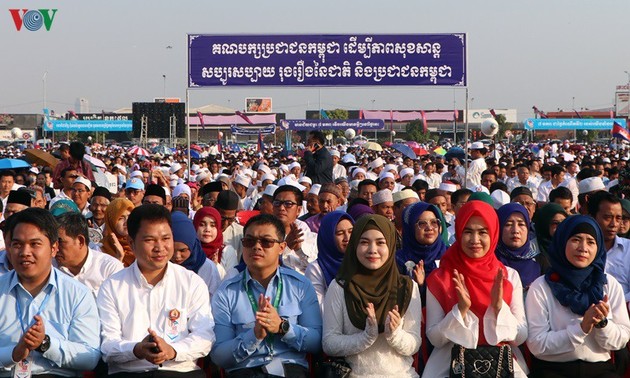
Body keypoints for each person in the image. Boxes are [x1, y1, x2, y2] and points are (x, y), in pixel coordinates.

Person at [98, 204, 215, 377]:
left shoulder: (191, 283)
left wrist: (173, 350)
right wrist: (136, 349)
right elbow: (107, 345)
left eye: (166, 238)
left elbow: (204, 336)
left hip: (178, 371)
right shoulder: (112, 286)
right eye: (149, 240)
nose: (160, 247)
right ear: (132, 242)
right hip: (130, 373)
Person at [423, 201, 528, 377]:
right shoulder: (440, 277)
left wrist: (499, 307)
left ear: (493, 234)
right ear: (458, 232)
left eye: (483, 232)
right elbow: (434, 338)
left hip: (500, 364)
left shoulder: (508, 276)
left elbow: (521, 336)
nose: (475, 240)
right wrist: (460, 311)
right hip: (450, 366)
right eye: (468, 231)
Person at [211, 214, 322, 377]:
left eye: (266, 242)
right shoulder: (226, 292)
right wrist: (253, 336)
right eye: (249, 241)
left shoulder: (300, 285)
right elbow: (219, 354)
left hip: (289, 369)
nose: (256, 247)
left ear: (282, 247)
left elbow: (316, 341)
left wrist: (283, 327)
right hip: (245, 370)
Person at [525, 215, 630, 377]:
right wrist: (580, 329)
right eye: (576, 239)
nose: (583, 248)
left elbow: (622, 339)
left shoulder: (608, 284)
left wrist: (602, 324)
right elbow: (537, 344)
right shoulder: (542, 286)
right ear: (562, 241)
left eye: (591, 242)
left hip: (600, 371)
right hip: (551, 371)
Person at [0, 208, 101, 375]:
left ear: (54, 248)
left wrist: (45, 344)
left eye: (35, 244)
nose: (25, 252)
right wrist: (13, 353)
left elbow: (89, 356)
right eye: (17, 244)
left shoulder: (77, 293)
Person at [322, 214, 422, 377]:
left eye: (380, 242)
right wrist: (365, 337)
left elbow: (414, 343)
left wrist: (394, 334)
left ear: (390, 244)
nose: (372, 250)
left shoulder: (407, 287)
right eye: (364, 242)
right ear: (354, 245)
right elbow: (329, 342)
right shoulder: (340, 286)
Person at [54, 212, 123, 297]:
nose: (54, 248)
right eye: (52, 242)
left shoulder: (110, 269)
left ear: (80, 241)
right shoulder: (49, 267)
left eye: (60, 242)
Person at [305, 211, 354, 314]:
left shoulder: (361, 261)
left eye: (351, 232)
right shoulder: (316, 268)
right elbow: (318, 308)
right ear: (328, 237)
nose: (347, 238)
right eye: (339, 233)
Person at [396, 202, 447, 291]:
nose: (429, 228)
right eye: (422, 223)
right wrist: (417, 286)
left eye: (434, 222)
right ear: (410, 228)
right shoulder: (399, 260)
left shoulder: (449, 255)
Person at [170, 211, 222, 298]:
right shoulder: (160, 265)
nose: (177, 256)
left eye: (183, 250)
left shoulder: (207, 268)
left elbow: (214, 301)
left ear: (192, 245)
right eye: (172, 250)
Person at [496, 203, 541, 289]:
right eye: (508, 224)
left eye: (521, 224)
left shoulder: (539, 262)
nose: (515, 230)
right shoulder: (491, 261)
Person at [193, 206, 237, 274]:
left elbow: (232, 280)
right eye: (202, 225)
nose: (207, 229)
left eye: (212, 225)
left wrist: (216, 266)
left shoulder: (227, 251)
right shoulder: (188, 250)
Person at [533, 203, 569, 274]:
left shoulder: (569, 245)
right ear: (544, 224)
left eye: (564, 222)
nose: (560, 227)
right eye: (555, 223)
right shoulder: (532, 248)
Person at [101, 198, 135, 266]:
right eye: (121, 218)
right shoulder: (101, 249)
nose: (126, 222)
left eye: (129, 216)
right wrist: (118, 259)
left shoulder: (141, 244)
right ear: (111, 222)